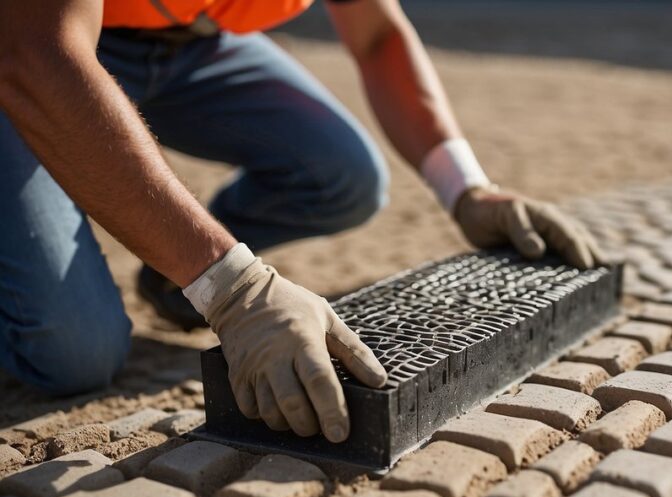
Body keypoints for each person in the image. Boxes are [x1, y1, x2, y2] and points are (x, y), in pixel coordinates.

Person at [0, 0, 603, 443]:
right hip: (30, 41)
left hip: (183, 40)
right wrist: (234, 289)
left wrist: (468, 188)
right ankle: (194, 266)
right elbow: (37, 54)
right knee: (72, 353)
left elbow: (377, 37)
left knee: (344, 174)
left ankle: (173, 272)